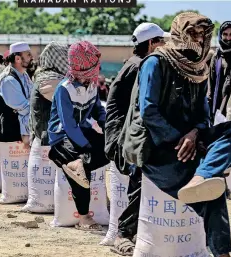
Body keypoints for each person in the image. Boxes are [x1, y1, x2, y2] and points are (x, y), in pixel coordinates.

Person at [137, 12, 231, 256]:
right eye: (193, 34)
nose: (198, 40)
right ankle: (222, 253)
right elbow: (149, 111)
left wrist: (196, 133)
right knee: (213, 192)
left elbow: (203, 113)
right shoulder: (156, 63)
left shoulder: (200, 67)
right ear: (179, 34)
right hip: (161, 149)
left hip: (193, 142)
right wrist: (180, 138)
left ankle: (203, 173)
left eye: (203, 35)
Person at [105, 22, 167, 255]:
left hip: (128, 134)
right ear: (151, 43)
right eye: (160, 41)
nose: (164, 46)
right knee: (140, 180)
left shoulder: (137, 64)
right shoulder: (140, 66)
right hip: (125, 138)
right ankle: (123, 234)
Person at [48, 41, 109, 231]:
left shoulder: (91, 85)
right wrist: (87, 147)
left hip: (82, 134)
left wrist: (108, 129)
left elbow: (99, 110)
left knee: (111, 149)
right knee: (81, 168)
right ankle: (83, 218)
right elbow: (68, 125)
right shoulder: (64, 89)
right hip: (62, 138)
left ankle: (71, 162)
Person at [0, 42, 33, 147]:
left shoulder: (24, 76)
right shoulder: (8, 80)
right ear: (18, 59)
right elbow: (25, 107)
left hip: (19, 131)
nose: (32, 57)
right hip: (9, 134)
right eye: (28, 55)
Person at [30, 41, 69, 146]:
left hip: (47, 139)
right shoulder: (49, 79)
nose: (68, 61)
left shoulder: (48, 76)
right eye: (64, 57)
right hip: (48, 142)